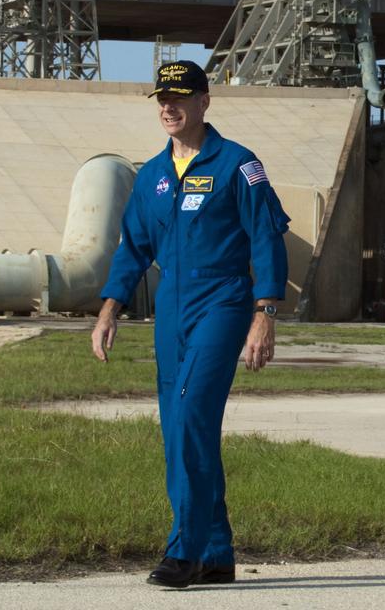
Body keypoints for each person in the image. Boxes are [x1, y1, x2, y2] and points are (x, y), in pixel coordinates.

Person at [92, 60, 291, 589]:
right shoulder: (153, 175)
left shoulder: (238, 165)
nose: (168, 106)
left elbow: (268, 238)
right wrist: (109, 309)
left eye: (179, 97)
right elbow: (132, 247)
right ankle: (218, 553)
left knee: (189, 421)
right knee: (181, 428)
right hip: (172, 306)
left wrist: (265, 313)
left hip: (224, 301)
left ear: (205, 101)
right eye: (162, 98)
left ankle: (184, 551)